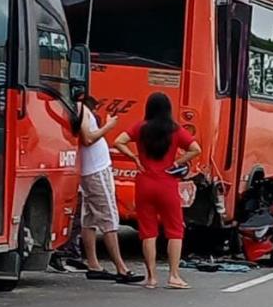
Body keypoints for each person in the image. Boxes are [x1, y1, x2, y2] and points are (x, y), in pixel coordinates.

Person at [113, 93, 202, 290]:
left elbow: (118, 141)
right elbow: (196, 149)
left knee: (148, 231)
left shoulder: (140, 128)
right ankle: (174, 275)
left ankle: (151, 277)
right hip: (167, 183)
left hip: (144, 183)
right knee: (175, 230)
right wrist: (178, 162)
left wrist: (134, 158)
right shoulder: (175, 130)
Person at [73, 95, 144, 285]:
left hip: (92, 169)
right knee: (109, 217)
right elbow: (87, 138)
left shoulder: (80, 109)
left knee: (89, 219)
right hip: (95, 170)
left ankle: (94, 265)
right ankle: (121, 268)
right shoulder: (80, 109)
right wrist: (108, 127)